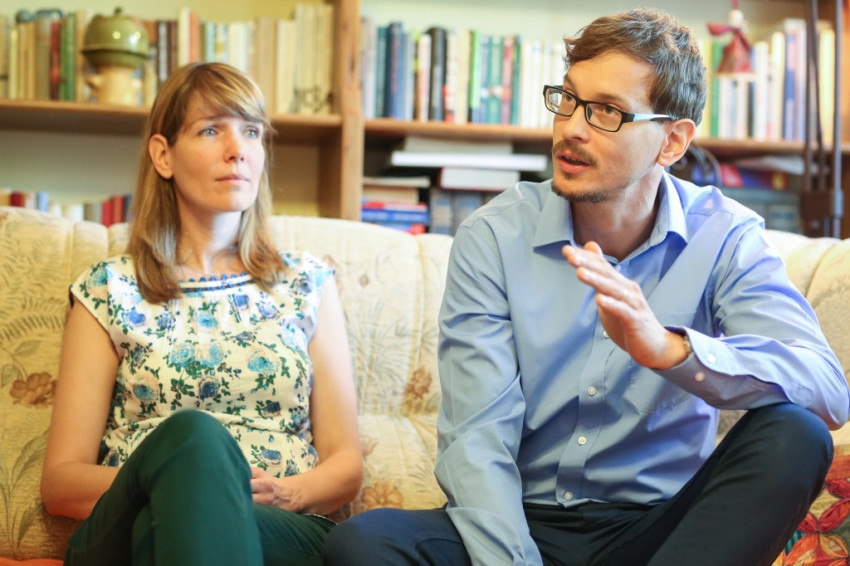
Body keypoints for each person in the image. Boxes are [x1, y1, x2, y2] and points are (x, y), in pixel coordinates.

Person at [323, 8, 850, 566]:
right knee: (365, 543)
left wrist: (670, 350)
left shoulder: (724, 236)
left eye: (606, 112)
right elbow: (478, 437)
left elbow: (826, 390)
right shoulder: (494, 236)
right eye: (569, 99)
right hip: (524, 522)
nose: (571, 128)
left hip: (660, 534)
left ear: (672, 142)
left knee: (796, 432)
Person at [40, 62, 362, 566]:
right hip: (121, 524)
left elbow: (346, 464)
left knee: (163, 532)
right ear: (163, 155)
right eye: (211, 130)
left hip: (276, 526)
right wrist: (184, 481)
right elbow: (61, 482)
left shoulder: (307, 284)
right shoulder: (109, 289)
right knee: (193, 438)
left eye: (251, 131)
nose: (238, 150)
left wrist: (288, 493)